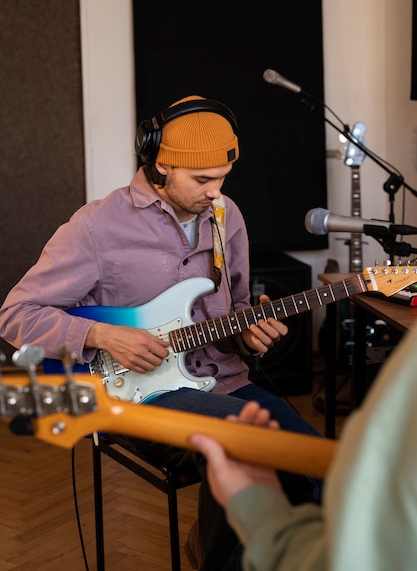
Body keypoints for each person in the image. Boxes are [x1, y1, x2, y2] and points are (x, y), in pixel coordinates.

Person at [0, 95, 322, 570]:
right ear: (160, 164)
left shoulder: (226, 216)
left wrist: (249, 331)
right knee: (241, 447)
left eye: (223, 179)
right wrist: (103, 336)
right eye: (202, 180)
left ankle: (223, 551)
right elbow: (15, 314)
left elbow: (231, 310)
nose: (217, 193)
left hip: (224, 380)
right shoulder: (96, 226)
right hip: (134, 394)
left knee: (314, 467)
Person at [190, 321, 417, 571]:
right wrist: (135, 335)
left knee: (314, 475)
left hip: (228, 383)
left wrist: (248, 335)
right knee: (236, 442)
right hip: (151, 391)